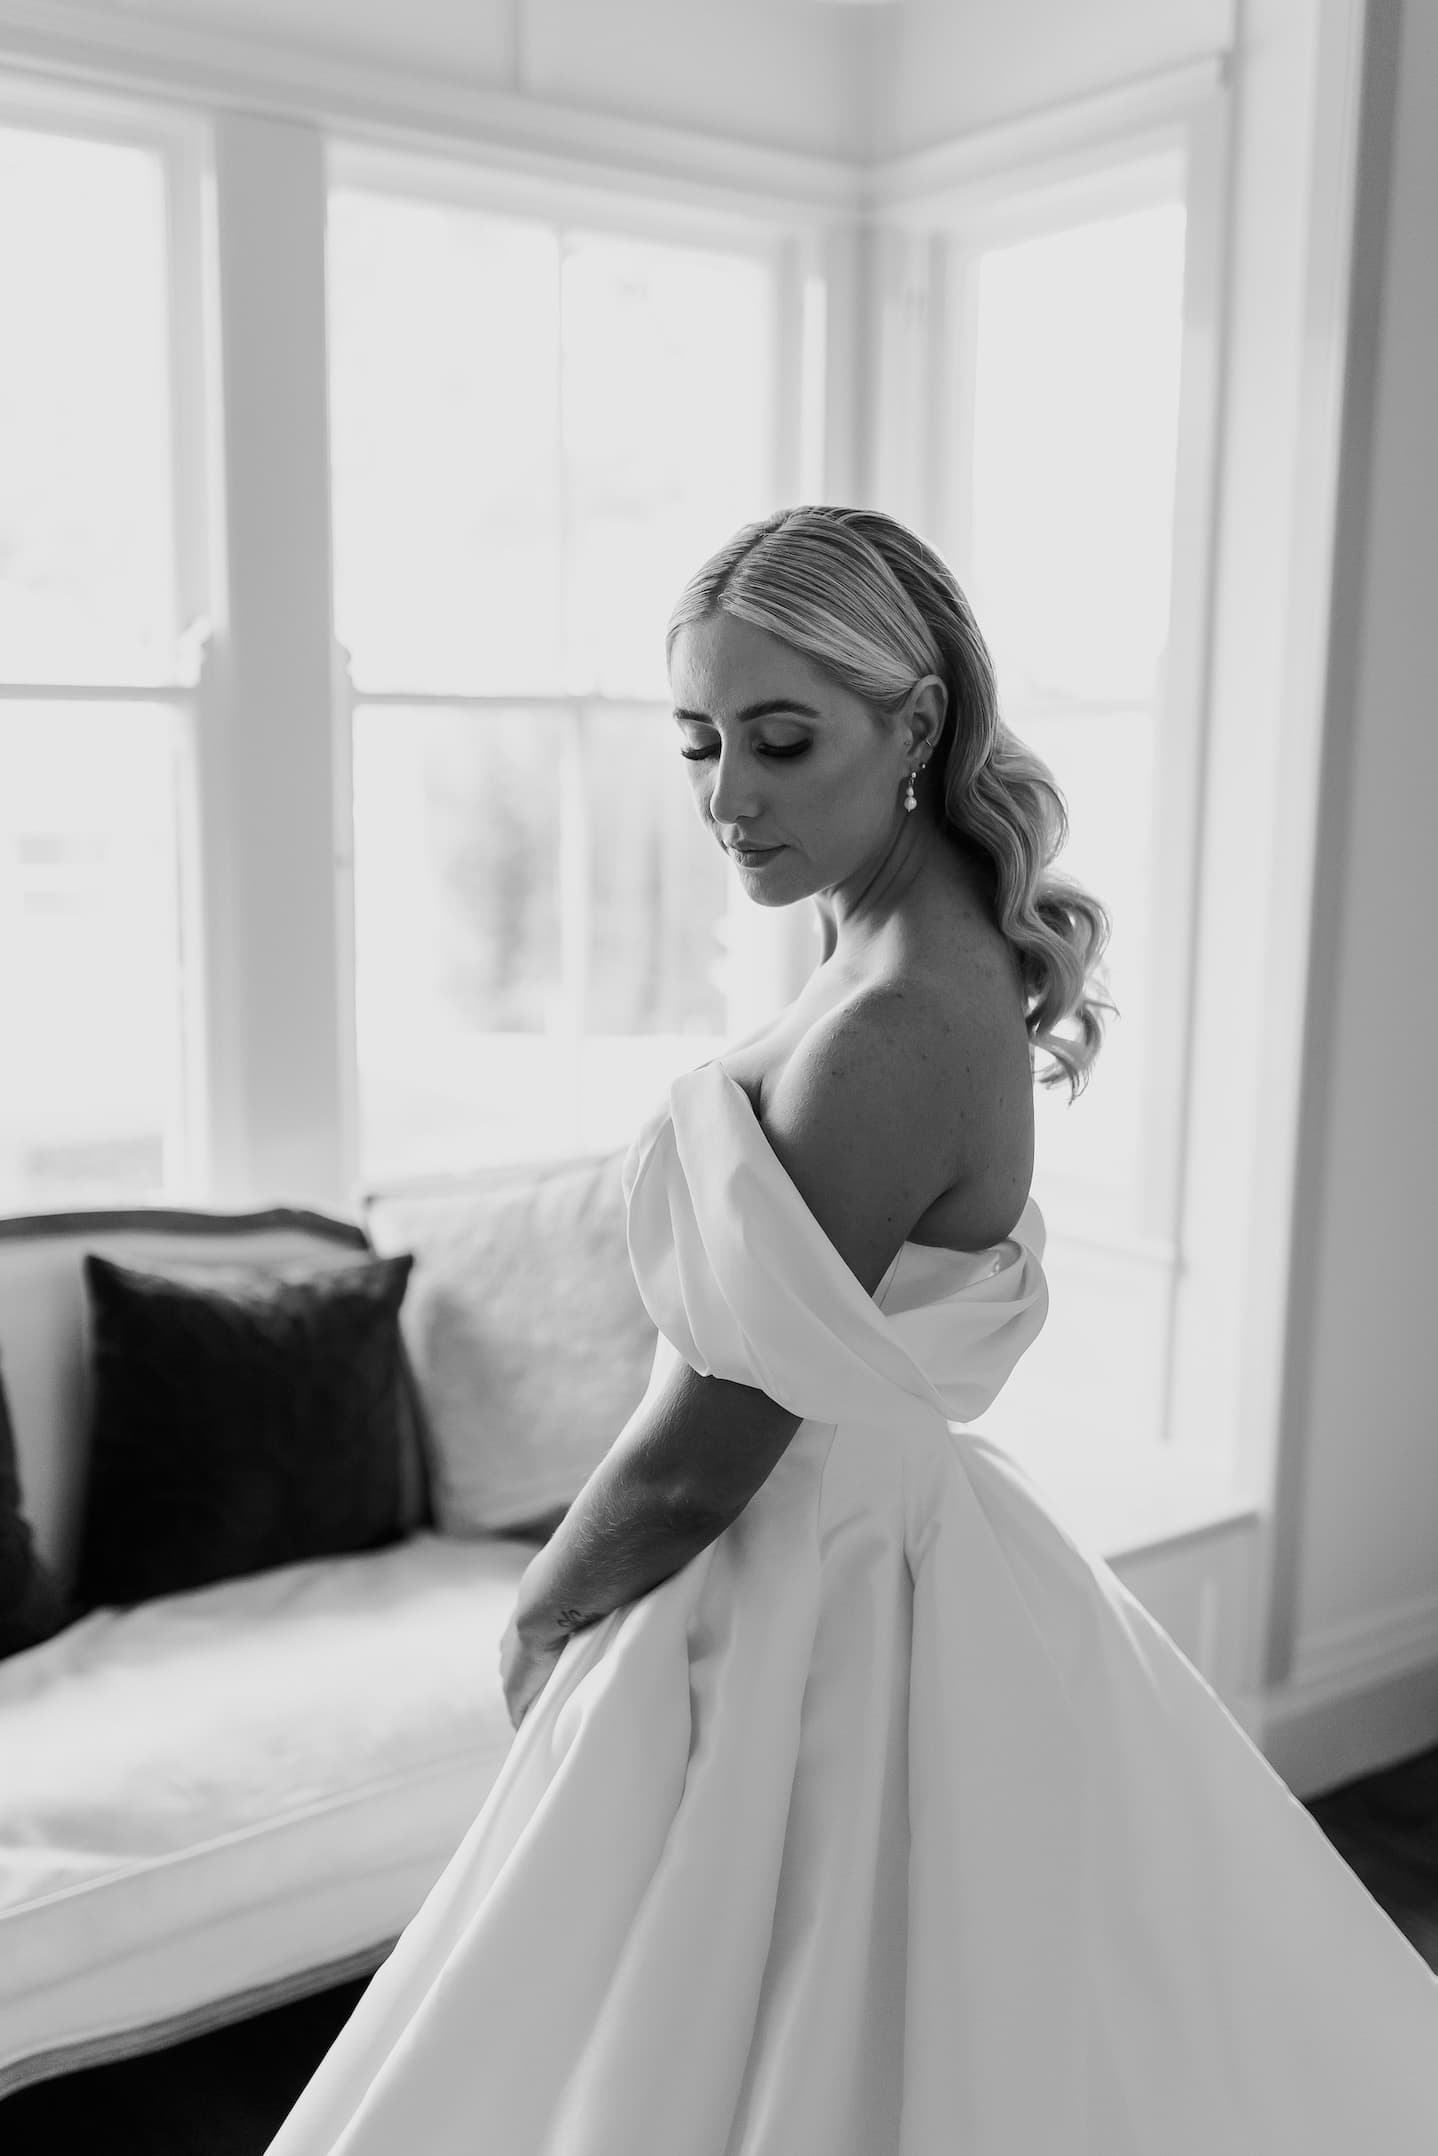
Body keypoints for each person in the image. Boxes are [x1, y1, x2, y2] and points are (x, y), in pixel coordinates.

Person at [264, 506, 1438, 2155]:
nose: (726, 797)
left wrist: (542, 1609)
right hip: (843, 1546)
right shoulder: (887, 940)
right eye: (698, 742)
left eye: (781, 739)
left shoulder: (890, 1020)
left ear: (915, 720)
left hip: (804, 1573)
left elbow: (706, 1448)